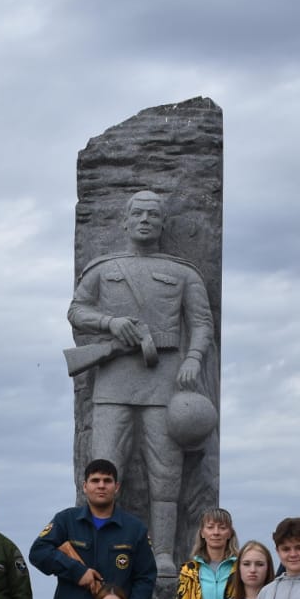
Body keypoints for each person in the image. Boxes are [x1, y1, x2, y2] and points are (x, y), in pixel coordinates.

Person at [67, 190, 215, 574]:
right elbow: (77, 311)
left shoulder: (184, 273)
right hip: (113, 379)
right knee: (104, 467)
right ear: (126, 221)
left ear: (163, 223)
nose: (146, 220)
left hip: (163, 378)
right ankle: (99, 547)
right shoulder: (103, 267)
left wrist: (194, 359)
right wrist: (111, 323)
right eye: (139, 213)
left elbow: (201, 325)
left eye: (153, 214)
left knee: (165, 473)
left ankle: (163, 552)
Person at [29, 458, 158, 599]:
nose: (101, 486)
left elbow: (145, 577)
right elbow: (38, 552)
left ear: (117, 487)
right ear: (84, 486)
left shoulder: (135, 529)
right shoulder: (66, 521)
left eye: (107, 481)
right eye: (95, 480)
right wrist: (77, 571)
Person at [169, 507, 239, 599]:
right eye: (210, 527)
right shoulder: (189, 570)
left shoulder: (239, 568)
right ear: (202, 532)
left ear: (230, 533)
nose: (216, 532)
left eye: (222, 528)